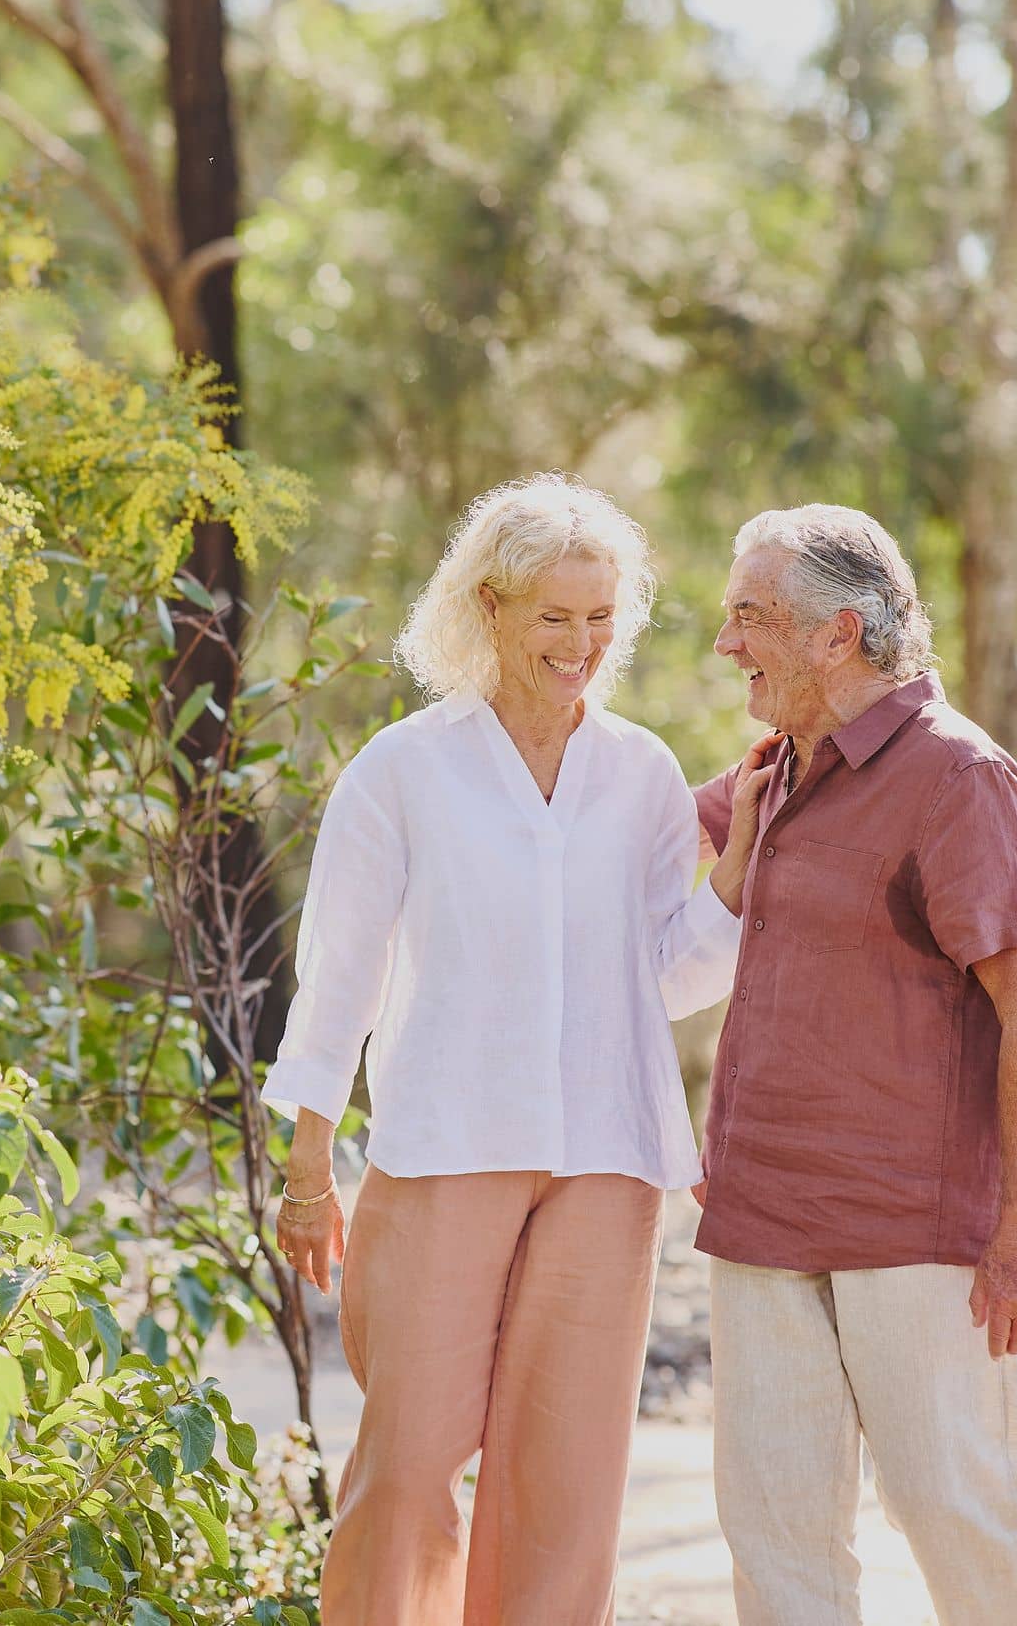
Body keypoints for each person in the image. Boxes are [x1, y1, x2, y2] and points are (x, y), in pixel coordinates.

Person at [265, 474, 773, 1626]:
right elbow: (336, 976)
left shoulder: (641, 772)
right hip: (446, 1148)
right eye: (554, 616)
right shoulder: (401, 770)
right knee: (404, 1472)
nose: (581, 644)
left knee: (565, 1490)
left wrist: (737, 864)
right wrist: (307, 1167)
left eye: (601, 618)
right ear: (486, 608)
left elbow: (666, 976)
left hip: (607, 1156)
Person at [692, 503, 1017, 1625]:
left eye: (748, 617)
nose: (726, 645)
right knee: (775, 1542)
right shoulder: (778, 766)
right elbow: (632, 854)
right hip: (761, 1219)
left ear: (835, 635)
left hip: (914, 1232)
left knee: (958, 1518)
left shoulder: (962, 779)